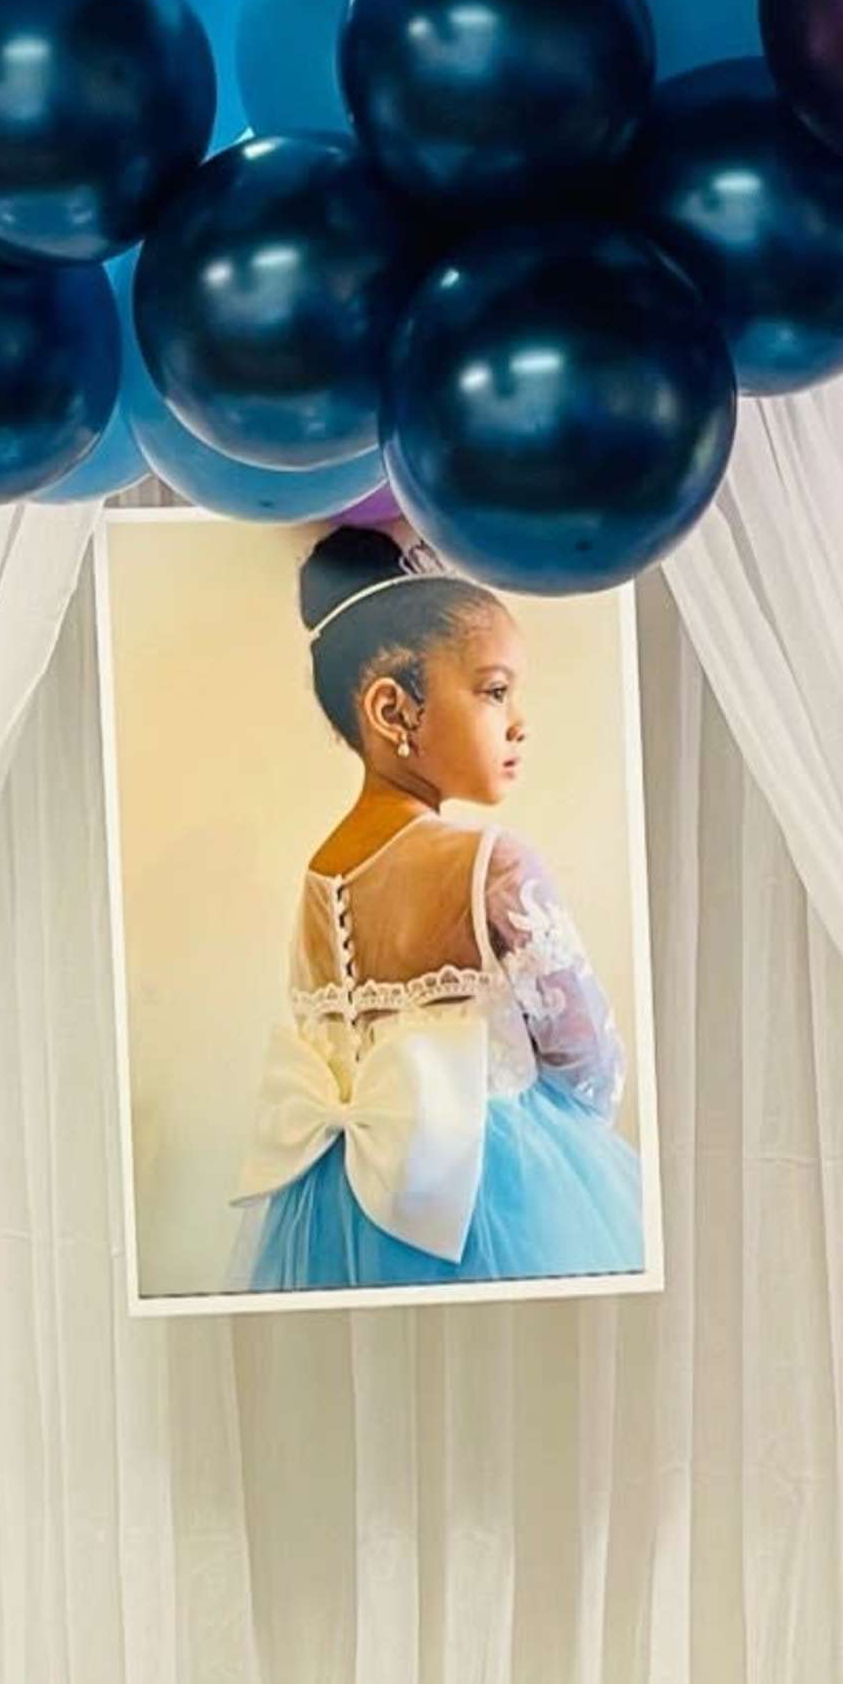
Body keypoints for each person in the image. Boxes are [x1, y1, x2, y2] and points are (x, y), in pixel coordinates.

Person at [233, 524, 646, 1291]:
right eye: (494, 690)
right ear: (394, 710)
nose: (520, 720)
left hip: (338, 1211)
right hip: (496, 1196)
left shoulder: (317, 878)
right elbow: (594, 1072)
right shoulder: (493, 864)